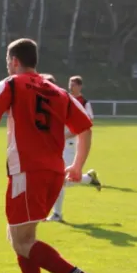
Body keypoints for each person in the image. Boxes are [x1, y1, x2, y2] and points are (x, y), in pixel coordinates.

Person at [0, 39, 101, 273]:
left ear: (14, 61)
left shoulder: (11, 84)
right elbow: (85, 129)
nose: (7, 65)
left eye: (8, 61)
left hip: (27, 171)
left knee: (22, 241)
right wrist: (77, 165)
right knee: (18, 234)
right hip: (53, 172)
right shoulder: (59, 92)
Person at [46, 75, 101, 222]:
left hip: (70, 146)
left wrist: (64, 136)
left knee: (59, 180)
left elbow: (86, 125)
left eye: (73, 84)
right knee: (54, 179)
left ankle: (57, 214)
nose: (70, 86)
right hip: (56, 145)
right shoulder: (58, 100)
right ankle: (88, 179)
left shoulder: (81, 102)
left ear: (79, 86)